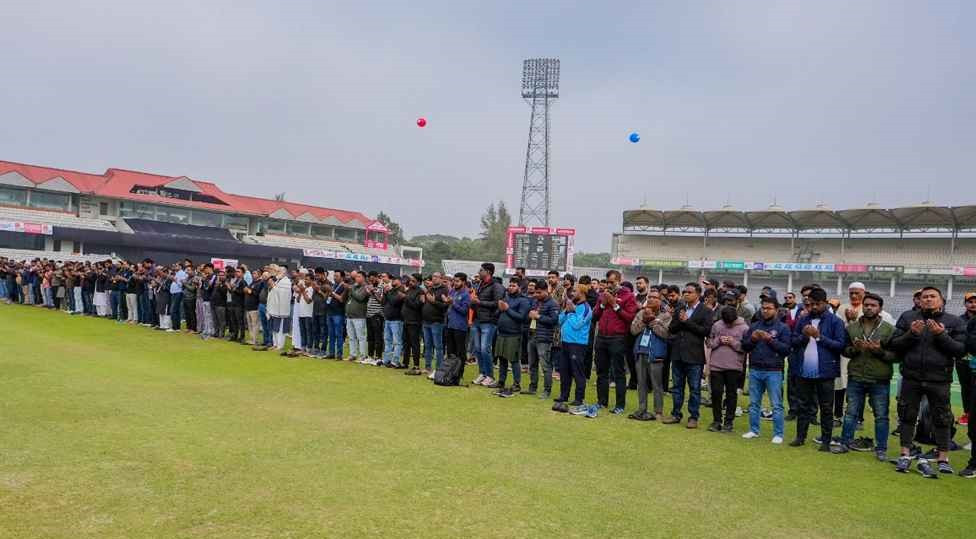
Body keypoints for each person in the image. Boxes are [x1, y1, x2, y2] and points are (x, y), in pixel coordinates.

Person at [888, 286, 966, 476]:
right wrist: (911, 334)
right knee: (907, 415)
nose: (928, 300)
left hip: (939, 379)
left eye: (933, 297)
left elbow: (959, 350)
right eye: (925, 297)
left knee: (942, 418)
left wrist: (941, 335)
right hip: (911, 377)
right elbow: (894, 344)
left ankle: (943, 457)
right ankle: (905, 453)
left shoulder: (953, 321)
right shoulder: (908, 318)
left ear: (941, 300)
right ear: (919, 300)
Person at [832, 293, 896, 461]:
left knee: (881, 415)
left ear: (880, 308)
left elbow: (896, 356)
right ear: (862, 306)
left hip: (879, 378)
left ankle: (881, 448)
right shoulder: (852, 328)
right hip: (857, 376)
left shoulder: (889, 329)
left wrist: (879, 351)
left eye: (873, 305)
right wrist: (855, 350)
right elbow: (844, 350)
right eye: (866, 305)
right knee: (851, 412)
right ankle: (845, 443)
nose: (869, 307)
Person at [790, 287, 847, 451]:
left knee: (826, 407)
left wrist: (819, 337)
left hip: (826, 372)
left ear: (825, 302)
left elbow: (840, 346)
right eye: (811, 304)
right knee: (803, 405)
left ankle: (826, 441)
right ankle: (800, 437)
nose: (814, 307)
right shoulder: (803, 319)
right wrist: (804, 337)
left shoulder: (835, 321)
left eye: (817, 304)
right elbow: (793, 341)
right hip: (803, 371)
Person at [663, 282, 714, 428]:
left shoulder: (706, 311)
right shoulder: (680, 308)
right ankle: (675, 414)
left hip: (694, 355)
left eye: (689, 292)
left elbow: (705, 331)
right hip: (678, 353)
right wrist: (680, 320)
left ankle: (693, 417)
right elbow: (672, 328)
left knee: (694, 388)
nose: (685, 294)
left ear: (698, 294)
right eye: (684, 291)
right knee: (677, 387)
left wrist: (687, 321)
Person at [741, 298, 792, 442]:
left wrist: (770, 340)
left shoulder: (783, 328)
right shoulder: (754, 325)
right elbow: (744, 346)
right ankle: (754, 430)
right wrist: (753, 339)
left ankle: (778, 434)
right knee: (754, 403)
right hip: (755, 368)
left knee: (776, 404)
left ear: (776, 310)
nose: (765, 311)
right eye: (763, 308)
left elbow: (786, 350)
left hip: (773, 370)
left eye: (769, 308)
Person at [592, 270, 638, 414]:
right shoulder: (602, 295)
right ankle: (602, 402)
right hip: (601, 337)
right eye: (608, 282)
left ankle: (620, 405)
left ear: (619, 280)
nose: (610, 285)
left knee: (618, 372)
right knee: (601, 372)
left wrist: (615, 304)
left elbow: (630, 317)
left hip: (618, 338)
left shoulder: (628, 296)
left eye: (612, 282)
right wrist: (602, 305)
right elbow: (594, 316)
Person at [628, 288, 671, 421]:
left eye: (655, 297)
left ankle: (658, 411)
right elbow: (633, 330)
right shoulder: (641, 313)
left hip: (656, 353)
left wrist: (653, 322)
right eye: (649, 297)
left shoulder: (666, 316)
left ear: (660, 301)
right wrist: (643, 321)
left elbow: (666, 334)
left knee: (656, 384)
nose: (651, 299)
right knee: (641, 383)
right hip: (640, 351)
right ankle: (642, 409)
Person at [706, 305, 749, 433]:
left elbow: (746, 347)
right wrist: (719, 340)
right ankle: (716, 421)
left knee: (731, 394)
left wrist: (732, 342)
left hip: (734, 366)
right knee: (716, 393)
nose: (728, 324)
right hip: (716, 365)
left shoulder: (744, 328)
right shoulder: (717, 325)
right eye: (726, 322)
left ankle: (729, 422)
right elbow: (709, 343)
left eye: (730, 322)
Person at [556, 284, 593, 413]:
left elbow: (577, 325)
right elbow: (559, 320)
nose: (572, 293)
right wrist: (566, 311)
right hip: (565, 342)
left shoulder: (586, 308)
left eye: (575, 291)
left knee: (577, 371)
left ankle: (579, 398)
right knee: (564, 370)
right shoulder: (571, 306)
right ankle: (563, 395)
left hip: (578, 344)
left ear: (582, 293)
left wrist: (570, 312)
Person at [490, 277, 531, 395]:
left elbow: (521, 317)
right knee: (501, 358)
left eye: (513, 286)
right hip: (501, 333)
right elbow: (498, 313)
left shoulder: (523, 301)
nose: (510, 287)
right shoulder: (506, 298)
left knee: (513, 360)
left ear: (519, 287)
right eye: (510, 285)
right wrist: (499, 308)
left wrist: (507, 309)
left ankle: (516, 383)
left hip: (514, 334)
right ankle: (501, 381)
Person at [469, 263, 505, 386]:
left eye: (481, 270)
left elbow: (498, 303)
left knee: (485, 349)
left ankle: (490, 375)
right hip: (477, 319)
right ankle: (482, 373)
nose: (479, 272)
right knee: (478, 349)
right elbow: (477, 302)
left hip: (488, 321)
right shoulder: (480, 284)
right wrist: (473, 302)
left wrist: (480, 302)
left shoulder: (496, 286)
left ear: (488, 272)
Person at [526, 279, 560, 399]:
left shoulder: (553, 304)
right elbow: (531, 315)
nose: (536, 295)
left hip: (544, 338)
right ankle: (532, 388)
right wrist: (530, 315)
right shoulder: (536, 302)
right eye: (536, 292)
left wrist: (538, 316)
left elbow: (554, 321)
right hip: (532, 335)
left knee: (545, 366)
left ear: (546, 291)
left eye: (539, 292)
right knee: (532, 364)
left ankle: (547, 390)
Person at [421, 272, 449, 373]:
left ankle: (439, 368)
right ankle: (428, 367)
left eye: (437, 277)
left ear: (441, 279)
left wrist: (433, 301)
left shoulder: (444, 290)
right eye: (433, 276)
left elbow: (445, 306)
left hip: (436, 321)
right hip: (426, 321)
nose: (434, 278)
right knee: (427, 345)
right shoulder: (430, 289)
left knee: (438, 346)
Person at [444, 272, 471, 367]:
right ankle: (449, 372)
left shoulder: (466, 295)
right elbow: (449, 306)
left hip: (460, 327)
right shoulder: (452, 291)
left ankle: (459, 373)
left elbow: (464, 311)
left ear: (463, 282)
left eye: (457, 281)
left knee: (460, 352)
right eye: (454, 281)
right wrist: (446, 302)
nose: (455, 283)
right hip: (450, 324)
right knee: (450, 351)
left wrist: (453, 303)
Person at [957, 291, 976, 427]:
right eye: (970, 301)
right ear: (965, 304)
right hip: (963, 359)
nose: (973, 304)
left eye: (975, 301)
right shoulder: (959, 320)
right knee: (966, 387)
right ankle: (967, 413)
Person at [401, 273, 424, 374]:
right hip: (406, 320)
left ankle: (416, 365)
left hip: (414, 321)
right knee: (406, 343)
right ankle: (405, 362)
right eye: (410, 280)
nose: (411, 282)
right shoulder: (409, 290)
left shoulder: (420, 292)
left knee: (415, 344)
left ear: (419, 282)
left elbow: (416, 305)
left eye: (413, 281)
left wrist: (405, 297)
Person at [381, 275, 406, 368]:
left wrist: (387, 293)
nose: (392, 281)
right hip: (388, 319)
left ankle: (395, 360)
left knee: (397, 341)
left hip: (397, 319)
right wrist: (384, 292)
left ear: (399, 281)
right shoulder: (391, 291)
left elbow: (394, 301)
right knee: (387, 341)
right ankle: (386, 360)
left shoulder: (402, 290)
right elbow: (383, 302)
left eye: (394, 280)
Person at [266, 265, 292, 352]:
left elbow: (283, 294)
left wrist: (273, 286)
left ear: (284, 272)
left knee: (280, 329)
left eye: (279, 271)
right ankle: (275, 344)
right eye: (277, 271)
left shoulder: (287, 281)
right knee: (274, 328)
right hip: (274, 308)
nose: (278, 273)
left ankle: (280, 346)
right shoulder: (277, 280)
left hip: (282, 310)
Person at [345, 271, 370, 362]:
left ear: (364, 278)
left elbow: (360, 298)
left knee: (361, 337)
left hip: (359, 316)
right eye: (356, 277)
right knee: (351, 337)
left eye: (359, 276)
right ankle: (353, 354)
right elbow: (349, 298)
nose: (357, 278)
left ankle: (363, 355)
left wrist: (351, 289)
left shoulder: (366, 287)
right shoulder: (354, 287)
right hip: (350, 316)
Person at [365, 272, 385, 364]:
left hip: (377, 314)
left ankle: (378, 357)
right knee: (370, 337)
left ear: (378, 277)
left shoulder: (382, 286)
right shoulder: (372, 285)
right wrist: (369, 292)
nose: (371, 281)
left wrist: (373, 291)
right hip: (369, 314)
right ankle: (370, 356)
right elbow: (371, 298)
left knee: (377, 337)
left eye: (373, 279)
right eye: (370, 280)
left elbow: (381, 300)